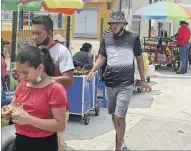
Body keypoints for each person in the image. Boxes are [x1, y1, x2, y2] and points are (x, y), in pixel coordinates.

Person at [87, 11, 152, 151]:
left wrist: (142, 79)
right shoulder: (106, 37)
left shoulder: (133, 38)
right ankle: (121, 141)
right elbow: (102, 57)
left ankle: (118, 148)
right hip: (110, 82)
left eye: (116, 23)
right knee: (113, 114)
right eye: (111, 23)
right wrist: (93, 70)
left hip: (125, 84)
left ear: (123, 24)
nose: (113, 25)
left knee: (120, 116)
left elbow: (139, 58)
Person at [12, 15, 74, 151]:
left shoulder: (62, 52)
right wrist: (23, 76)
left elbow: (69, 80)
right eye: (33, 33)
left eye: (38, 33)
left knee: (59, 145)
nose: (34, 37)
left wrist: (43, 81)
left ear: (50, 33)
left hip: (56, 107)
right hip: (27, 132)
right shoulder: (33, 52)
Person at [2, 46, 68, 151]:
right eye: (19, 72)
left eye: (25, 73)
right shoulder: (23, 84)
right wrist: (8, 110)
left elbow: (60, 125)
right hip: (20, 141)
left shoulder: (55, 89)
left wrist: (29, 120)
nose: (22, 77)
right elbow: (13, 104)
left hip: (44, 144)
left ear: (40, 68)